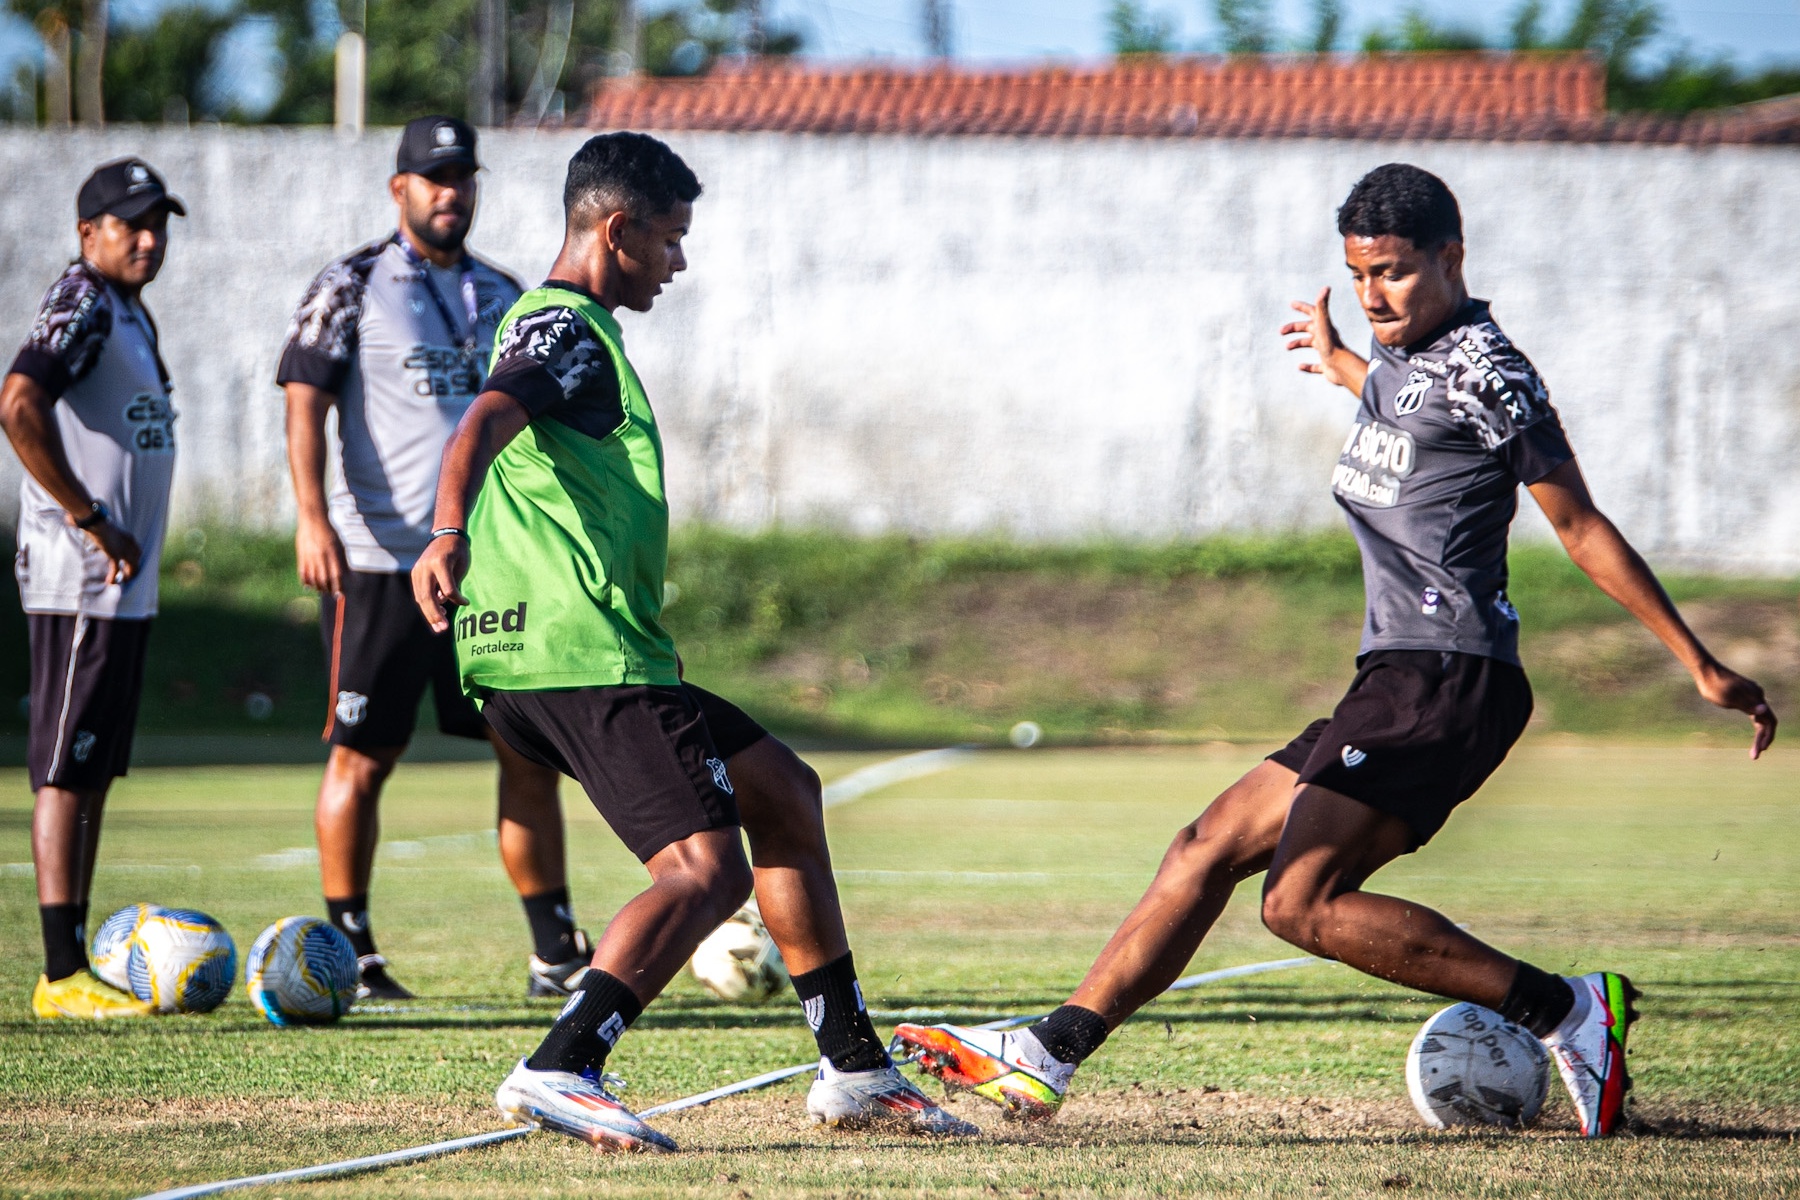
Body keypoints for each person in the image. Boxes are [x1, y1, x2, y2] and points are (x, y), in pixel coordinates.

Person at [893, 163, 1778, 1140]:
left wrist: (1699, 662)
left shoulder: (1490, 369)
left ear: (1453, 257)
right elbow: (1411, 415)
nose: (1372, 295)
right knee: (1205, 846)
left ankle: (1566, 1010)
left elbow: (1580, 525)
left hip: (1447, 674)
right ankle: (1050, 1050)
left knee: (1300, 904)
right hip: (1396, 672)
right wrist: (1343, 361)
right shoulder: (1402, 354)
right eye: (1358, 274)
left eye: (1394, 272)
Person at [412, 131, 975, 1151]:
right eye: (670, 238)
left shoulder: (563, 330)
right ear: (616, 227)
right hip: (581, 655)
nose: (679, 261)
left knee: (784, 793)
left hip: (566, 653)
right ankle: (563, 1064)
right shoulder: (564, 329)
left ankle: (853, 1069)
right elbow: (485, 417)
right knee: (702, 871)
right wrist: (445, 532)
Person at [277, 116, 584, 1001]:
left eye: (463, 177)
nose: (452, 192)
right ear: (398, 188)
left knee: (524, 751)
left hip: (488, 569)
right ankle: (354, 951)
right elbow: (304, 400)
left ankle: (553, 951)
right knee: (363, 757)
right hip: (379, 560)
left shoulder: (504, 291)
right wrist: (310, 518)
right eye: (433, 178)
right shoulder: (350, 283)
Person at [2, 158, 185, 1019]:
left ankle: (75, 962)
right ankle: (58, 969)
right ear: (89, 234)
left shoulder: (125, 308)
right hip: (81, 579)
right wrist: (87, 515)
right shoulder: (79, 300)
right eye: (130, 224)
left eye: (159, 224)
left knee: (95, 770)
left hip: (122, 587)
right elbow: (18, 404)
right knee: (65, 769)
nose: (149, 239)